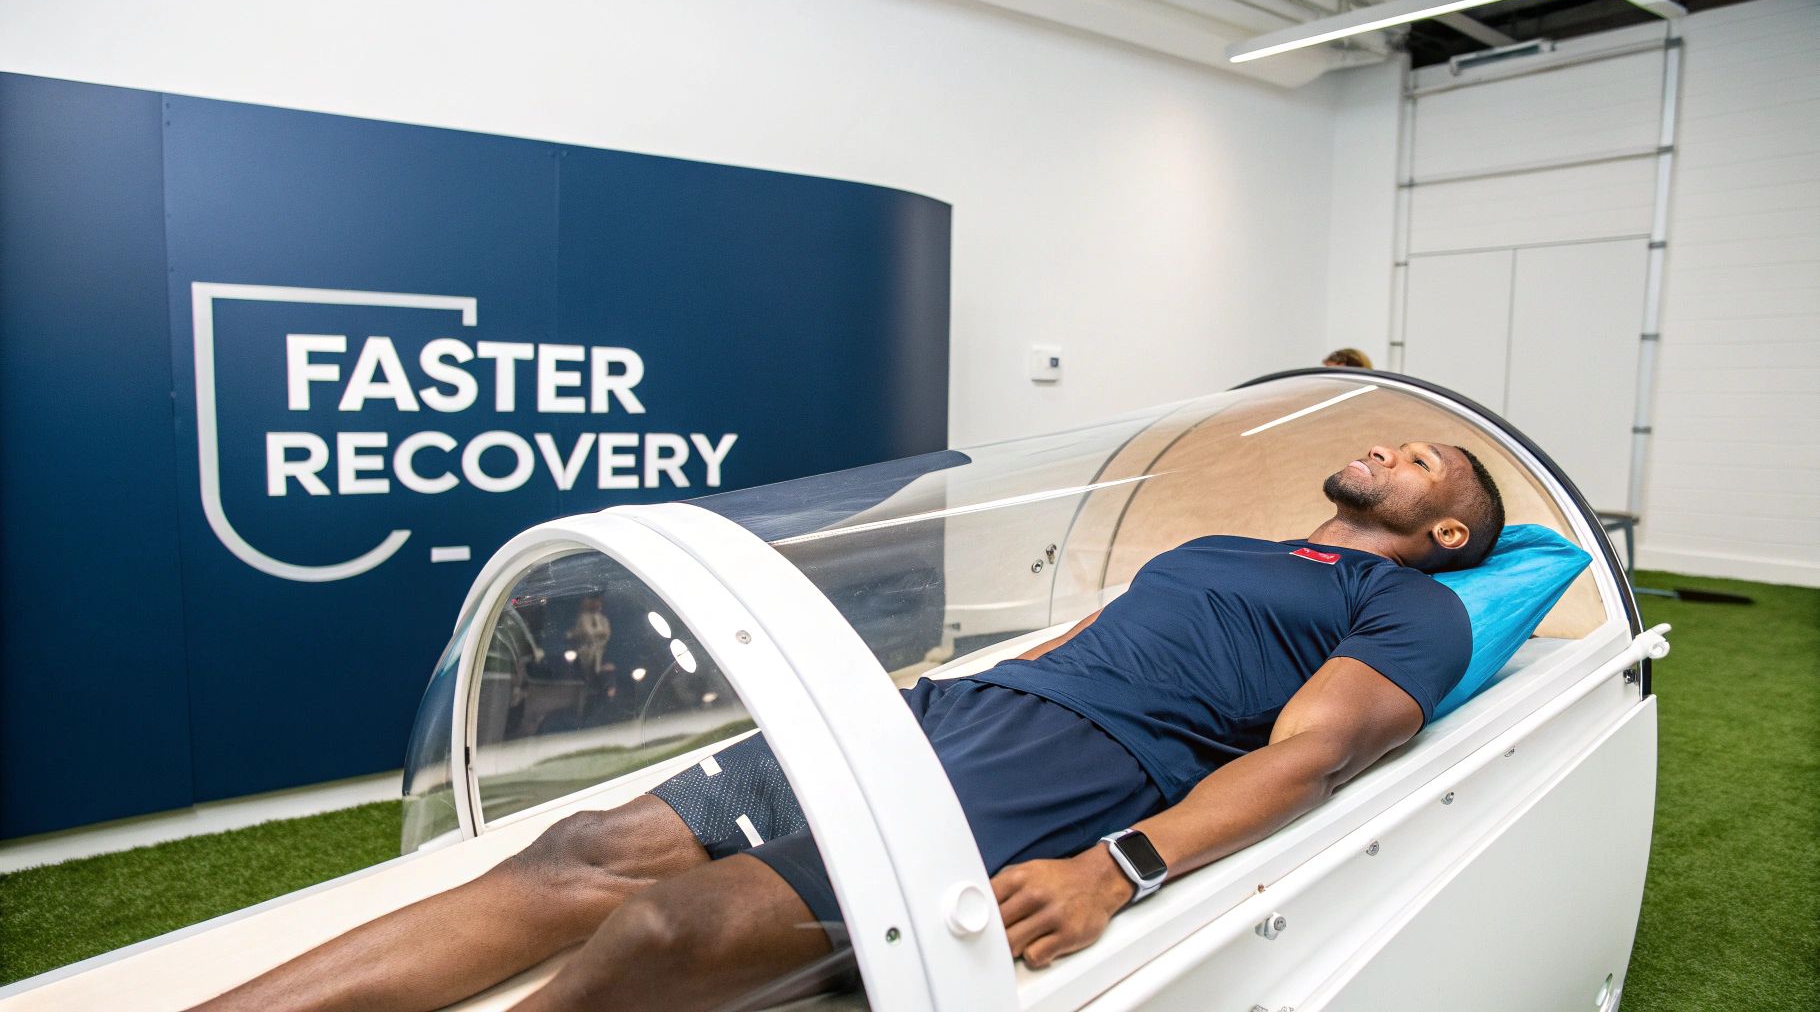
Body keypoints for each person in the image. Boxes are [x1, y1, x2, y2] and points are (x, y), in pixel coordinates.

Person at [194, 441, 1504, 1012]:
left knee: (672, 931)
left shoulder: (1406, 606)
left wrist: (1124, 867)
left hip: (1078, 768)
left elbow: (1311, 756)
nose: (1391, 451)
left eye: (1423, 464)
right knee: (583, 853)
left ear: (1448, 534)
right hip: (960, 712)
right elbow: (1076, 644)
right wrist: (886, 705)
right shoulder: (1227, 544)